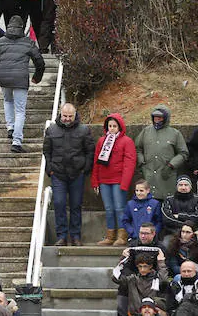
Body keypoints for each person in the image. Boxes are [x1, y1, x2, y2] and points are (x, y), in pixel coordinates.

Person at [0, 15, 45, 153]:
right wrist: (37, 77)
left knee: (7, 101)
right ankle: (17, 142)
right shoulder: (28, 42)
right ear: (22, 28)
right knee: (20, 110)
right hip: (20, 79)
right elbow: (39, 61)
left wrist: (0, 69)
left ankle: (10, 127)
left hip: (5, 78)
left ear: (8, 27)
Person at [42, 103, 94, 246]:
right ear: (60, 113)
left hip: (77, 173)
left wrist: (85, 169)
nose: (67, 119)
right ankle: (62, 236)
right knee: (59, 204)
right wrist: (50, 169)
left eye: (70, 116)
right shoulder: (51, 130)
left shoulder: (84, 130)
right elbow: (46, 151)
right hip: (58, 173)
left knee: (76, 205)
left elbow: (90, 151)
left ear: (75, 114)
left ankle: (76, 236)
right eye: (65, 116)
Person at [91, 113, 137, 246]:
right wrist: (95, 180)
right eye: (109, 126)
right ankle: (110, 236)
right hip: (104, 180)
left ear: (120, 127)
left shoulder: (126, 141)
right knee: (109, 208)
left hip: (118, 180)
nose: (112, 128)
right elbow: (96, 162)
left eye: (114, 126)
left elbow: (129, 163)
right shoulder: (102, 141)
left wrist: (125, 183)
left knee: (119, 208)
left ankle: (122, 235)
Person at [134, 105, 189, 200]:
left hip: (166, 176)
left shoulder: (175, 133)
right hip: (149, 175)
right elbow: (137, 148)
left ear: (166, 118)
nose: (157, 119)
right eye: (155, 117)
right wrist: (141, 161)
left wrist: (171, 165)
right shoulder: (146, 131)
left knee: (167, 205)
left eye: (160, 117)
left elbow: (183, 153)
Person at [112, 248, 169, 316]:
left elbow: (164, 279)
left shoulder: (156, 278)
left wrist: (161, 262)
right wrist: (123, 259)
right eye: (140, 266)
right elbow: (115, 277)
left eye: (145, 266)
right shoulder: (132, 279)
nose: (142, 269)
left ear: (151, 266)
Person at [160, 175, 198, 241]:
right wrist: (187, 225)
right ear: (177, 187)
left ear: (190, 187)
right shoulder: (168, 200)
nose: (183, 187)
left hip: (193, 232)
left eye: (186, 185)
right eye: (180, 185)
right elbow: (167, 219)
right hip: (172, 232)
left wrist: (179, 216)